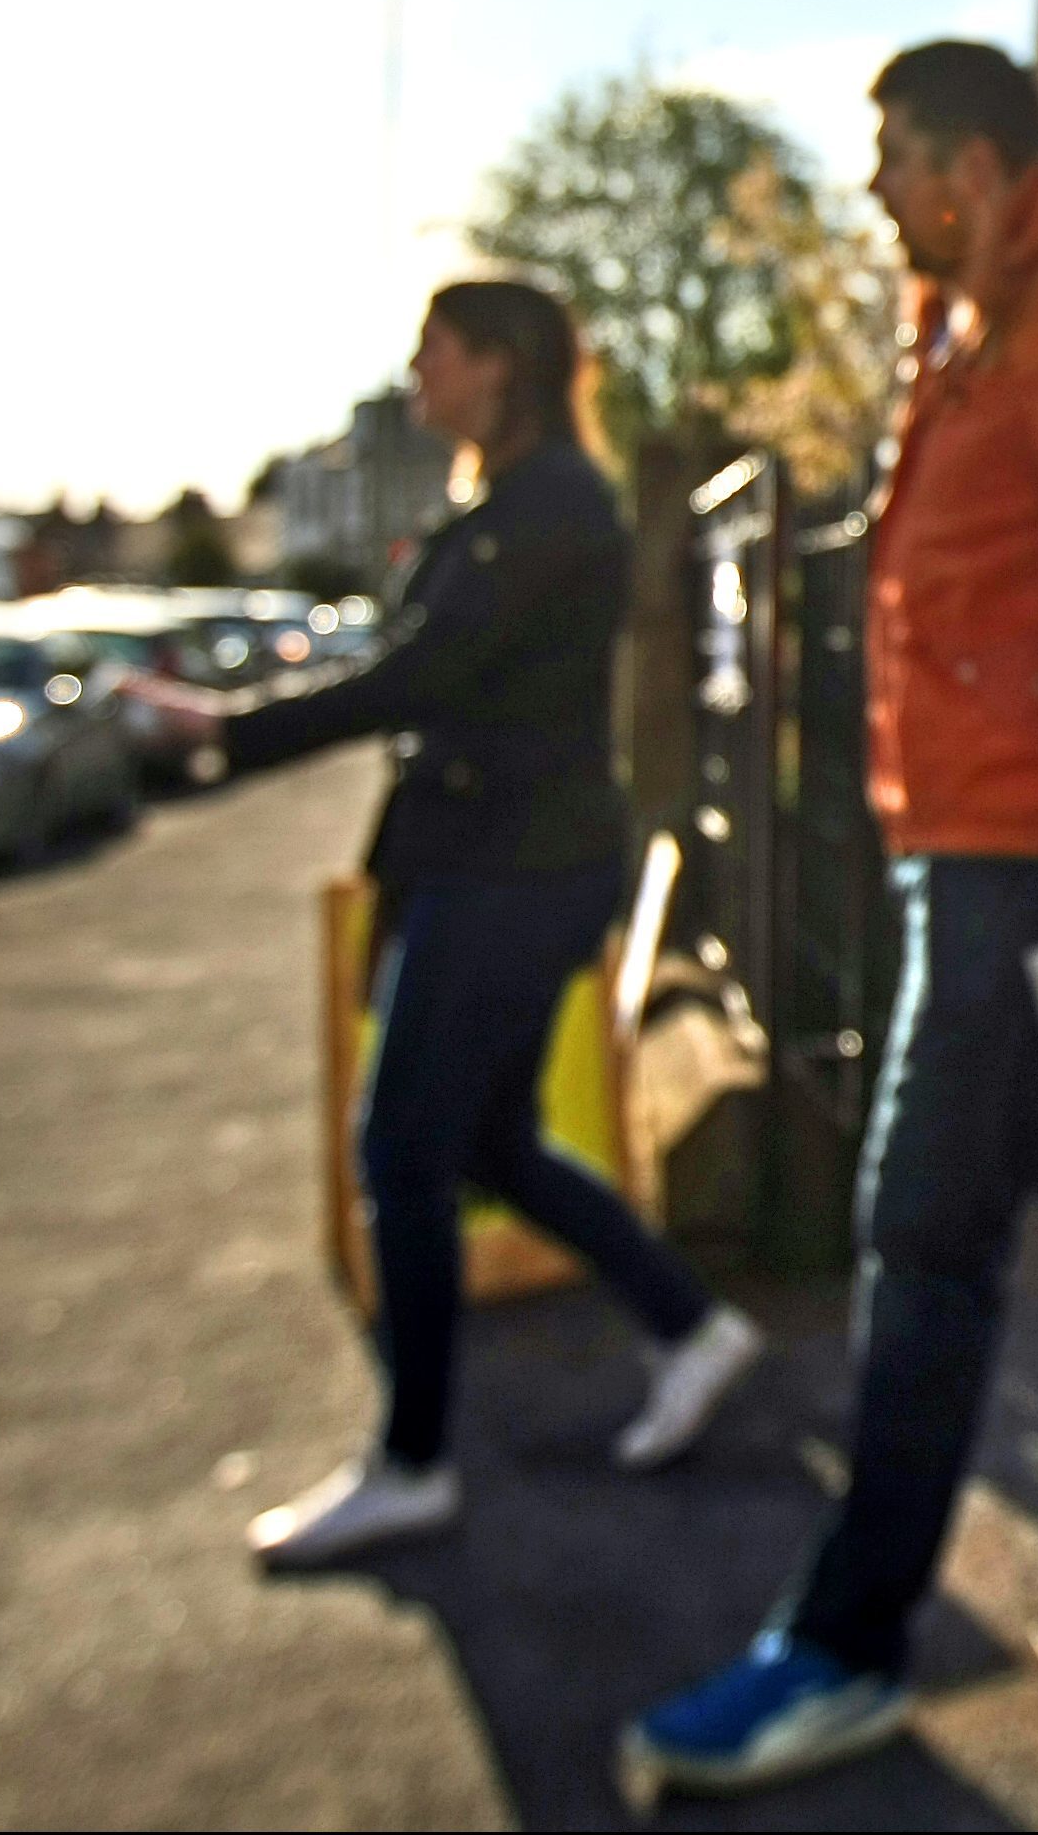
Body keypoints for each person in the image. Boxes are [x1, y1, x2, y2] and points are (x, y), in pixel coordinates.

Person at [624, 41, 1038, 1797]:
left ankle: (845, 1645)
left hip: (1024, 870)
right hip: (967, 851)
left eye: (892, 157)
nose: (874, 188)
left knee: (920, 1224)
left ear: (967, 165)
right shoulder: (972, 328)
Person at [164, 281, 763, 1567]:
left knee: (402, 1149)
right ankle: (688, 1325)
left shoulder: (546, 509)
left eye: (434, 350)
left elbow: (425, 675)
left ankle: (414, 1460)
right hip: (496, 861)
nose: (417, 373)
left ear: (500, 366)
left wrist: (232, 731)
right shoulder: (514, 506)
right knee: (488, 1138)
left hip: (511, 868)